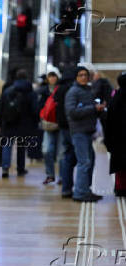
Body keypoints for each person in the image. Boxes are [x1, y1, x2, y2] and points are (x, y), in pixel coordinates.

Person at [65, 66, 106, 202]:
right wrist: (92, 108)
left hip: (88, 131)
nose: (83, 77)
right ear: (76, 77)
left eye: (85, 75)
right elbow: (72, 112)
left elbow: (90, 109)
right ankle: (80, 193)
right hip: (79, 131)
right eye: (80, 75)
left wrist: (98, 109)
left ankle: (85, 189)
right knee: (84, 162)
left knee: (90, 161)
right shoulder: (73, 92)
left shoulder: (87, 91)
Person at [0, 69, 38, 178]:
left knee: (7, 145)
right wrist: (35, 122)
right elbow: (35, 109)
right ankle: (20, 168)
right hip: (24, 123)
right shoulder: (31, 92)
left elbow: (1, 108)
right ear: (26, 78)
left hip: (9, 122)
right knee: (21, 146)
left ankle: (5, 168)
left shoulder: (7, 91)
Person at [55, 68, 77, 198]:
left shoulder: (59, 88)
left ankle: (65, 184)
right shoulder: (71, 88)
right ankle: (70, 186)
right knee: (73, 155)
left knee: (66, 153)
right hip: (72, 126)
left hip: (62, 125)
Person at [105, 72, 126, 197]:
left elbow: (109, 122)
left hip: (118, 140)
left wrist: (108, 141)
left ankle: (120, 188)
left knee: (120, 167)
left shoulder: (115, 99)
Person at [39, 71, 60, 184]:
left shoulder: (62, 89)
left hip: (60, 124)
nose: (52, 79)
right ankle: (50, 174)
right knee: (46, 150)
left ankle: (62, 176)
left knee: (61, 153)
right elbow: (39, 106)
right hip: (48, 124)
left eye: (54, 76)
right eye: (50, 77)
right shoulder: (43, 91)